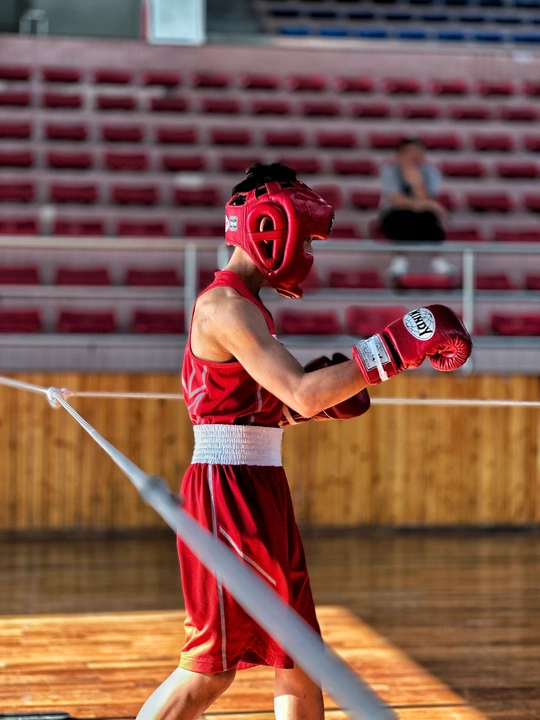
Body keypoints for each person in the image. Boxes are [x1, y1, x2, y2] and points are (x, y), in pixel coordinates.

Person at [136, 163, 472, 720]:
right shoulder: (224, 306)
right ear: (271, 225)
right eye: (308, 238)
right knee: (210, 667)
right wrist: (395, 347)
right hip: (226, 493)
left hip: (259, 482)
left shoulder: (247, 307)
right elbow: (301, 392)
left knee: (299, 657)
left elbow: (266, 406)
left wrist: (307, 405)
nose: (309, 252)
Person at [378, 138, 454, 279]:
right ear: (400, 155)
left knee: (429, 217)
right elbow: (396, 200)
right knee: (402, 216)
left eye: (418, 153)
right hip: (394, 215)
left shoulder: (430, 172)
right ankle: (399, 260)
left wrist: (417, 183)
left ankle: (438, 261)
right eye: (410, 153)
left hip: (420, 216)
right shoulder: (390, 170)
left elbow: (429, 199)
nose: (414, 157)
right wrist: (426, 204)